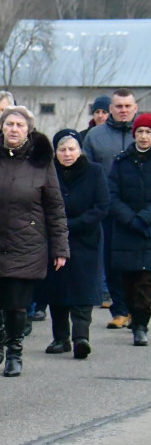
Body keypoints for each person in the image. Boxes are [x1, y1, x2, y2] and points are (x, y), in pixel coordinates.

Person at [0, 106, 69, 377]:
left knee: (17, 304)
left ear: (28, 130)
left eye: (19, 125)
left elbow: (55, 207)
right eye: (9, 124)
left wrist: (60, 247)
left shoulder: (42, 162)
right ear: (1, 127)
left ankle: (14, 351)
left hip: (27, 244)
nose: (14, 129)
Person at [36, 129, 109, 357]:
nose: (67, 154)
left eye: (72, 149)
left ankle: (81, 337)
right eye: (62, 149)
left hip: (85, 238)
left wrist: (74, 224)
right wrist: (57, 227)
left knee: (83, 291)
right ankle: (60, 338)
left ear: (80, 150)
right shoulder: (48, 172)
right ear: (55, 152)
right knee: (57, 290)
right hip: (55, 239)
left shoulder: (94, 172)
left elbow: (102, 205)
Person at [84, 89, 139, 329]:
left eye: (128, 106)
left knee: (141, 262)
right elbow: (86, 171)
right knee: (112, 260)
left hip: (140, 210)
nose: (123, 110)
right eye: (118, 106)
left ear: (135, 108)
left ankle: (140, 309)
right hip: (107, 209)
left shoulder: (145, 133)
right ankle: (120, 310)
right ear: (111, 110)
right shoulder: (95, 136)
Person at [107, 113, 151, 347]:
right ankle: (133, 317)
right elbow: (111, 194)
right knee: (129, 281)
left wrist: (143, 220)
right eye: (140, 132)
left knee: (145, 281)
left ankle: (141, 325)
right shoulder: (121, 161)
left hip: (147, 231)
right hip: (125, 230)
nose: (144, 136)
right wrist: (129, 219)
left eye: (149, 132)